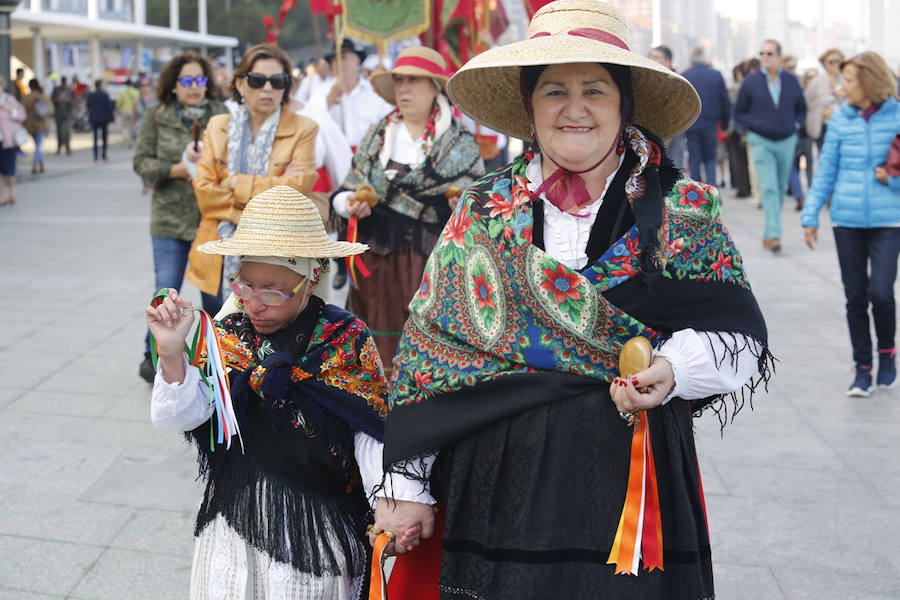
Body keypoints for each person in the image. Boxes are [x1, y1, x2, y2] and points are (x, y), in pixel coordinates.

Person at [374, 1, 771, 598]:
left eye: (596, 90)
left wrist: (672, 368)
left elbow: (737, 338)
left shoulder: (683, 209)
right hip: (497, 485)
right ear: (530, 111)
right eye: (554, 91)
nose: (575, 109)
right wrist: (410, 486)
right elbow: (431, 355)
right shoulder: (481, 212)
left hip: (630, 490)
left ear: (625, 105)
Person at [148, 185, 392, 599]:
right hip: (231, 524)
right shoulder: (228, 335)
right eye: (244, 286)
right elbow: (181, 415)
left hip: (317, 536)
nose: (254, 304)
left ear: (312, 278)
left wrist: (390, 503)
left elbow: (371, 431)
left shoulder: (345, 339)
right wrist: (172, 353)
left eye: (273, 291)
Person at [331, 46, 484, 365]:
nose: (403, 88)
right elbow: (344, 191)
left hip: (431, 265)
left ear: (434, 87)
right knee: (374, 355)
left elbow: (478, 200)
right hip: (375, 265)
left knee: (427, 352)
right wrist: (351, 202)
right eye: (399, 80)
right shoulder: (377, 136)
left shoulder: (459, 143)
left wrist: (462, 202)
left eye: (414, 80)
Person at [186, 43, 320, 317]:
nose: (268, 88)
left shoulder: (304, 129)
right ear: (241, 84)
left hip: (276, 260)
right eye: (258, 81)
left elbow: (295, 194)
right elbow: (204, 193)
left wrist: (235, 183)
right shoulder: (218, 126)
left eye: (278, 81)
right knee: (217, 339)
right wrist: (271, 189)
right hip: (218, 253)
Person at [801, 51, 900, 397]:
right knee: (856, 297)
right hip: (847, 220)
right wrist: (810, 214)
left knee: (881, 293)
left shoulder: (898, 116)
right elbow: (825, 169)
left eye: (850, 80)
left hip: (890, 220)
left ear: (870, 81)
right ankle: (862, 368)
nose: (844, 87)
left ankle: (887, 351)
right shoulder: (842, 119)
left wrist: (892, 179)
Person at [133, 52, 228, 383]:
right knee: (166, 292)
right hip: (169, 220)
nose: (194, 87)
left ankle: (219, 360)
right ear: (173, 85)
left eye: (200, 80)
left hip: (211, 219)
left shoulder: (221, 115)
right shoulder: (156, 116)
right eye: (186, 81)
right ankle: (154, 356)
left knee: (216, 295)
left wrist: (206, 168)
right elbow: (142, 163)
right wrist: (179, 169)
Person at [734, 39, 806, 252]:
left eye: (770, 53)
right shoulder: (751, 82)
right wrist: (752, 127)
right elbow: (739, 112)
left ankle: (770, 231)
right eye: (762, 53)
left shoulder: (792, 81)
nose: (765, 57)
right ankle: (774, 234)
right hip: (761, 140)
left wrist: (795, 125)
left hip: (786, 139)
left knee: (781, 186)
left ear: (779, 57)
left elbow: (802, 108)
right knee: (769, 187)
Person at [308, 38, 393, 149]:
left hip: (369, 156)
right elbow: (310, 123)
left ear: (357, 62)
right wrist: (330, 99)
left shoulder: (374, 91)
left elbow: (389, 122)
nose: (339, 63)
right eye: (335, 60)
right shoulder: (321, 92)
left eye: (343, 58)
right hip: (334, 157)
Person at [681, 46, 731, 188]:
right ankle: (713, 190)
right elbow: (725, 101)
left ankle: (698, 193)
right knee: (710, 158)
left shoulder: (685, 75)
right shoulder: (715, 75)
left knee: (694, 158)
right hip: (711, 123)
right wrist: (725, 123)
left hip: (692, 123)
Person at [648, 44, 687, 170]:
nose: (652, 59)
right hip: (653, 131)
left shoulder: (678, 82)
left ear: (668, 61)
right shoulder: (647, 80)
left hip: (675, 131)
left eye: (656, 57)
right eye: (651, 56)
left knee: (674, 169)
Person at [804, 48, 845, 150]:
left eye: (838, 61)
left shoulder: (847, 80)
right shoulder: (817, 82)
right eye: (831, 62)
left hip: (844, 125)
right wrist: (821, 110)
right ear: (824, 64)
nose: (835, 64)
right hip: (825, 126)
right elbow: (805, 102)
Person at [0, 75, 25, 206]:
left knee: (9, 170)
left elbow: (22, 115)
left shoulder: (9, 100)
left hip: (8, 141)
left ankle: (12, 192)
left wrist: (10, 110)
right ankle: (2, 196)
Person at [22, 79, 53, 175]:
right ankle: (35, 165)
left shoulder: (27, 97)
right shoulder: (43, 96)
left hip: (30, 125)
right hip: (42, 124)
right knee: (38, 146)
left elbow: (22, 111)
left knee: (37, 145)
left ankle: (40, 165)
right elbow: (51, 109)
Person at [86, 79, 115, 161]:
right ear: (100, 85)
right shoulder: (105, 95)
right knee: (104, 137)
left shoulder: (91, 95)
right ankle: (103, 154)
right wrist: (111, 118)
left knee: (95, 137)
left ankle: (95, 155)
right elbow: (109, 107)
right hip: (104, 119)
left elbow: (88, 106)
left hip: (94, 118)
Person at [51, 76, 75, 155]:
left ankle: (68, 148)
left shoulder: (70, 90)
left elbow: (74, 101)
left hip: (67, 113)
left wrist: (68, 100)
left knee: (67, 131)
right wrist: (58, 100)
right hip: (58, 113)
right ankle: (59, 147)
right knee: (59, 132)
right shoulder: (56, 90)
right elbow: (52, 100)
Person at [115, 79, 140, 148]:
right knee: (131, 127)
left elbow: (119, 103)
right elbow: (139, 102)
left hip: (125, 111)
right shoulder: (136, 92)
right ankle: (131, 141)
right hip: (133, 112)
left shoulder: (122, 92)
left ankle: (126, 140)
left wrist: (117, 110)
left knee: (125, 127)